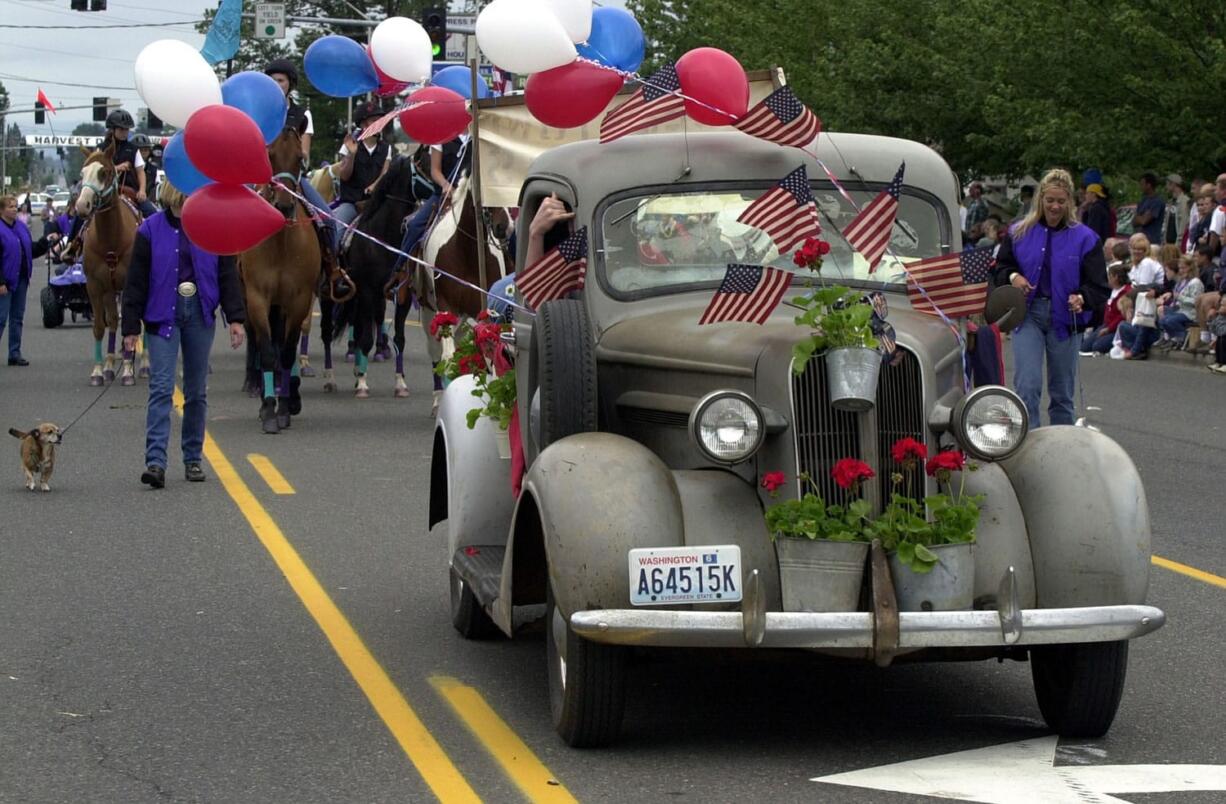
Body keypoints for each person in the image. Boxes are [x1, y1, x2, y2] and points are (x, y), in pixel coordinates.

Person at [121, 182, 245, 488]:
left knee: (196, 391)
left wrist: (236, 318)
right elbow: (135, 281)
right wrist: (130, 328)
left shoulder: (212, 227)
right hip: (163, 314)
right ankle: (156, 462)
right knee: (162, 388)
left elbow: (226, 273)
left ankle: (192, 459)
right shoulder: (149, 230)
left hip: (200, 311)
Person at [992, 168, 1108, 426]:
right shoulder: (1018, 232)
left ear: (1070, 202)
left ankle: (1061, 448)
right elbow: (1000, 269)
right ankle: (1029, 444)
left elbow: (1099, 286)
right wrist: (1014, 278)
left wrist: (1082, 298)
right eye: (1050, 200)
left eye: (1061, 201)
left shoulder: (1086, 238)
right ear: (1040, 200)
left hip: (1066, 320)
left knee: (1062, 393)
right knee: (1027, 387)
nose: (1055, 207)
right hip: (1028, 316)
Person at [263, 58, 335, 246]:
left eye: (280, 80)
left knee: (329, 220)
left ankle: (333, 266)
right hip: (263, 177)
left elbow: (304, 153)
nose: (276, 85)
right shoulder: (260, 112)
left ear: (290, 84)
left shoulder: (303, 115)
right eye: (272, 80)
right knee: (237, 217)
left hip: (292, 178)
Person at [394, 134, 470, 272]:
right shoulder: (442, 136)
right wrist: (446, 186)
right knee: (415, 226)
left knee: (504, 230)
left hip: (472, 197)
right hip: (445, 196)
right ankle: (400, 273)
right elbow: (435, 171)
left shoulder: (478, 135)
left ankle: (511, 273)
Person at [1, 195, 60, 366]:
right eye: (10, 206)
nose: (14, 209)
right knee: (1, 318)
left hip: (21, 279)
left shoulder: (21, 227)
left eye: (15, 206)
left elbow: (30, 250)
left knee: (17, 318)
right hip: (5, 281)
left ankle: (14, 353)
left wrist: (45, 242)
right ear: (1, 210)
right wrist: (1, 282)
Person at [332, 102, 392, 247]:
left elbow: (385, 172)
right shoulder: (349, 144)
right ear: (364, 124)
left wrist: (374, 185)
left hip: (376, 203)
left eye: (380, 120)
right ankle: (333, 265)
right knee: (336, 234)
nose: (379, 123)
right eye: (374, 120)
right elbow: (344, 176)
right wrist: (351, 155)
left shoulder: (386, 148)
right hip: (352, 203)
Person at [97, 109, 157, 218]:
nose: (125, 132)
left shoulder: (133, 149)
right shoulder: (101, 149)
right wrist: (117, 168)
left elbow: (140, 172)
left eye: (127, 129)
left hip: (129, 191)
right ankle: (74, 235)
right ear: (113, 129)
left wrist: (142, 190)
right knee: (79, 213)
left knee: (153, 214)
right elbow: (97, 171)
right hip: (104, 191)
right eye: (121, 129)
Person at [1115, 233, 1165, 360]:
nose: (1137, 252)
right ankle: (1135, 347)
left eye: (1141, 250)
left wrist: (1127, 298)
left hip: (1150, 298)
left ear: (1145, 251)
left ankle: (1136, 350)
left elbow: (1143, 287)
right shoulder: (1136, 264)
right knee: (1123, 326)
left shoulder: (1147, 263)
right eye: (1135, 249)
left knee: (1143, 321)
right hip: (1140, 300)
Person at [1155, 254, 1203, 349]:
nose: (1181, 271)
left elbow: (1196, 302)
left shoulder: (1195, 282)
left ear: (1191, 268)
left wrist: (1180, 297)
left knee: (1168, 320)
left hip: (1190, 313)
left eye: (1183, 268)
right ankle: (1172, 338)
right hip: (1180, 310)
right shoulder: (1182, 281)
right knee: (1162, 317)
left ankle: (1181, 337)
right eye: (1180, 268)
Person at [1132, 172, 1166, 246]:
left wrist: (1140, 218)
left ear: (1149, 185)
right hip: (1139, 240)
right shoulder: (1143, 200)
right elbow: (1134, 221)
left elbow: (1144, 221)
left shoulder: (1157, 202)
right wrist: (1141, 217)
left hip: (1151, 242)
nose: (1140, 186)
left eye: (1142, 184)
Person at [133, 133, 160, 208]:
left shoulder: (154, 169)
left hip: (147, 201)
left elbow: (156, 189)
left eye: (146, 149)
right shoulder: (128, 167)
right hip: (129, 200)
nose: (144, 152)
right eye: (140, 150)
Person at [1165, 174, 1190, 248]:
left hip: (1177, 245)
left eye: (1167, 183)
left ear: (1173, 184)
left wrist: (1179, 244)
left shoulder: (1185, 202)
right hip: (1168, 244)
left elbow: (1183, 224)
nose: (1166, 186)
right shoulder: (1170, 202)